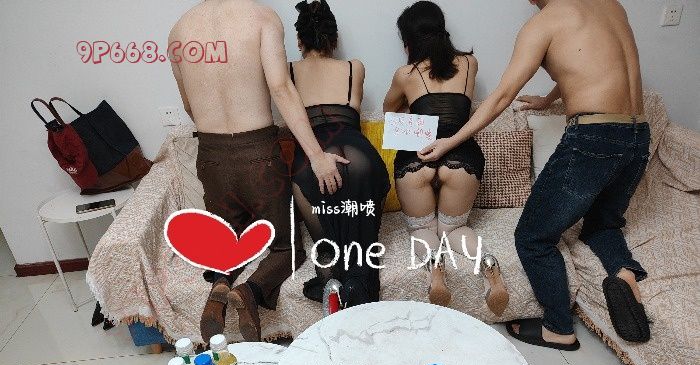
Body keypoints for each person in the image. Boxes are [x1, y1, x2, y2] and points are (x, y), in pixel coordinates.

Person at [418, 0, 651, 349]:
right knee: (603, 224)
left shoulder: (544, 23)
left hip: (594, 137)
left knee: (532, 237)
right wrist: (548, 99)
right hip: (638, 135)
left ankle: (558, 328)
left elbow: (502, 96)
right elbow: (594, 65)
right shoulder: (611, 5)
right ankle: (624, 271)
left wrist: (450, 141)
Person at [169, 0, 348, 343]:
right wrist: (316, 155)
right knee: (287, 248)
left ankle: (220, 286)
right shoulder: (262, 17)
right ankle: (249, 291)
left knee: (228, 241)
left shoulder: (179, 30)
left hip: (210, 155)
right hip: (258, 153)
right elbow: (281, 88)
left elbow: (189, 104)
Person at [383, 1, 510, 315]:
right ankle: (487, 262)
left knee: (422, 230)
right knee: (453, 229)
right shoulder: (470, 63)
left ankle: (434, 266)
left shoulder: (405, 74)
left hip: (417, 157)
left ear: (408, 40)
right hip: (462, 158)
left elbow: (389, 111)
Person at [289, 0, 390, 307]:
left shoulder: (287, 73)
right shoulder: (354, 68)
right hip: (359, 155)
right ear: (334, 39)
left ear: (299, 40)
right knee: (361, 238)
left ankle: (333, 275)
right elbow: (352, 111)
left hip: (313, 157)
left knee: (328, 243)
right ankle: (358, 282)